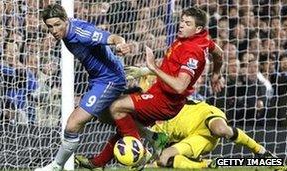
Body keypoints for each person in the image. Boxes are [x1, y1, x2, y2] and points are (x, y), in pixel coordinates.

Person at [76, 7, 224, 170]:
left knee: (115, 107)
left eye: (187, 23)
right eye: (182, 21)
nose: (181, 25)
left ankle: (142, 151)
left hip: (165, 101)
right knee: (125, 126)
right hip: (158, 93)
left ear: (198, 29)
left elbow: (180, 86)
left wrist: (153, 68)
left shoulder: (192, 52)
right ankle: (98, 163)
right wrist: (216, 73)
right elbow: (219, 53)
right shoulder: (203, 39)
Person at [35, 4, 130, 171]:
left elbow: (111, 37)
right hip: (98, 79)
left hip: (110, 80)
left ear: (66, 20)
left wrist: (120, 44)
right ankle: (152, 136)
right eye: (50, 26)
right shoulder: (66, 32)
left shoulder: (81, 33)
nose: (54, 30)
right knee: (108, 118)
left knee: (73, 124)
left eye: (58, 24)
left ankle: (57, 166)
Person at [148, 100, 276, 169]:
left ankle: (260, 151)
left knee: (220, 130)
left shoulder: (162, 100)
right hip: (198, 138)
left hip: (203, 115)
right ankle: (206, 164)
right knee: (164, 157)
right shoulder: (154, 130)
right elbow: (161, 152)